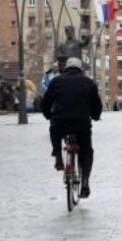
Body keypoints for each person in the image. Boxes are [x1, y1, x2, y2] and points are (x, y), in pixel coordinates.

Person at [41, 57, 102, 199]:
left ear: (66, 68)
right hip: (81, 123)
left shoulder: (56, 81)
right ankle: (85, 180)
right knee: (86, 150)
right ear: (80, 69)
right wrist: (95, 116)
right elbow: (97, 106)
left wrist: (49, 116)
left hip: (60, 122)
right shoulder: (89, 83)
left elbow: (45, 103)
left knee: (54, 130)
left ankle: (58, 156)